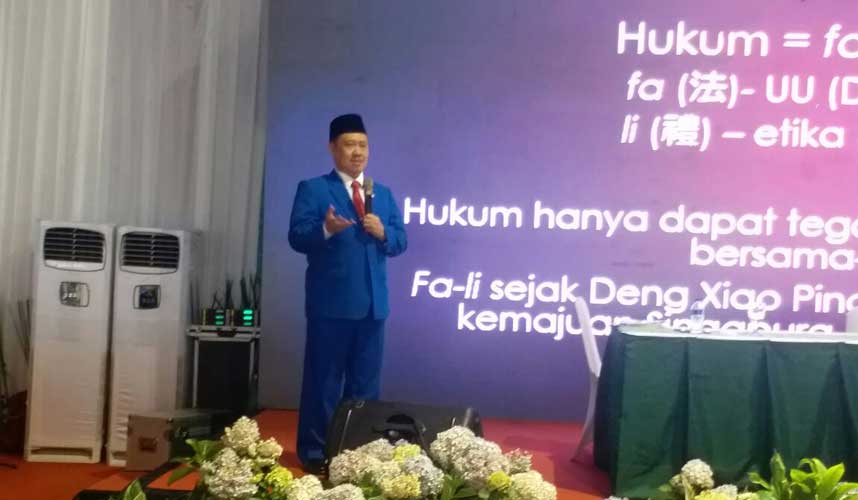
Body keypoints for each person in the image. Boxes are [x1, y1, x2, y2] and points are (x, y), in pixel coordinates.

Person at [288, 113, 408, 473]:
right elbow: (297, 236)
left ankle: (358, 453)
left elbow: (401, 241)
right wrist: (325, 229)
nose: (358, 152)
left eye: (363, 145)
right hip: (331, 306)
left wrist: (383, 232)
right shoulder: (314, 189)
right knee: (323, 384)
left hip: (373, 307)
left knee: (366, 387)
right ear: (332, 148)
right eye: (350, 144)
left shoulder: (381, 193)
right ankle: (316, 453)